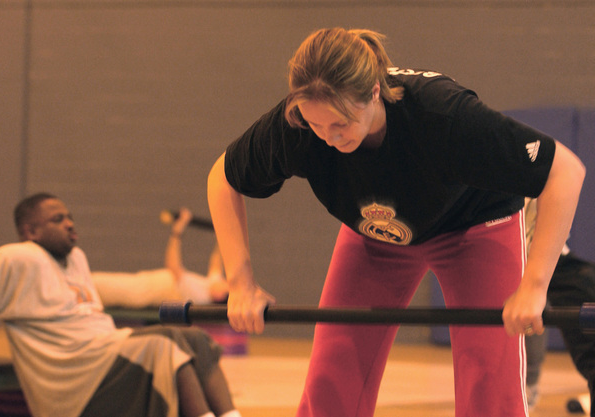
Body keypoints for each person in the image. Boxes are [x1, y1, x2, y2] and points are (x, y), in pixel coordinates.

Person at [206, 27, 586, 416]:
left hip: (473, 227)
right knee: (332, 380)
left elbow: (565, 173)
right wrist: (241, 284)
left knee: (488, 387)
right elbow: (223, 179)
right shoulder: (297, 126)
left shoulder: (445, 116)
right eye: (316, 125)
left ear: (374, 92)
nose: (329, 139)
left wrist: (535, 287)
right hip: (376, 235)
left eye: (340, 124)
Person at [0, 193, 241, 417]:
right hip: (74, 379)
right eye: (57, 219)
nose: (69, 223)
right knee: (163, 344)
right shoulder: (17, 258)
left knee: (195, 338)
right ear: (30, 232)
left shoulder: (77, 257)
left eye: (69, 216)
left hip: (105, 354)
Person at [524, 198, 595, 415]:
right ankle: (527, 387)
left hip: (548, 256)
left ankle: (529, 386)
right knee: (526, 309)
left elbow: (569, 174)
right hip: (502, 255)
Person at [92, 207, 229, 308]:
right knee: (93, 282)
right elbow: (216, 263)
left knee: (95, 284)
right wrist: (222, 237)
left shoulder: (200, 297)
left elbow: (173, 266)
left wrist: (177, 231)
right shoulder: (210, 285)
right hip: (143, 282)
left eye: (226, 286)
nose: (225, 282)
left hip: (139, 293)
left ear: (220, 296)